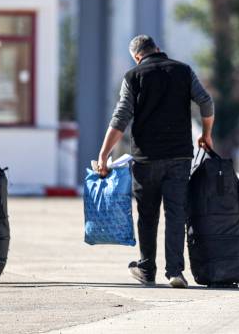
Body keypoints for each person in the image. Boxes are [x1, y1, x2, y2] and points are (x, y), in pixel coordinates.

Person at [96, 35, 214, 288]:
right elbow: (206, 101)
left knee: (147, 216)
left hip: (146, 158)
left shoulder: (133, 77)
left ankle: (147, 269)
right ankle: (175, 272)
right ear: (158, 49)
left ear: (137, 57)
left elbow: (121, 118)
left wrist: (104, 154)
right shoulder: (183, 71)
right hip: (179, 156)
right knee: (175, 214)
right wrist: (206, 135)